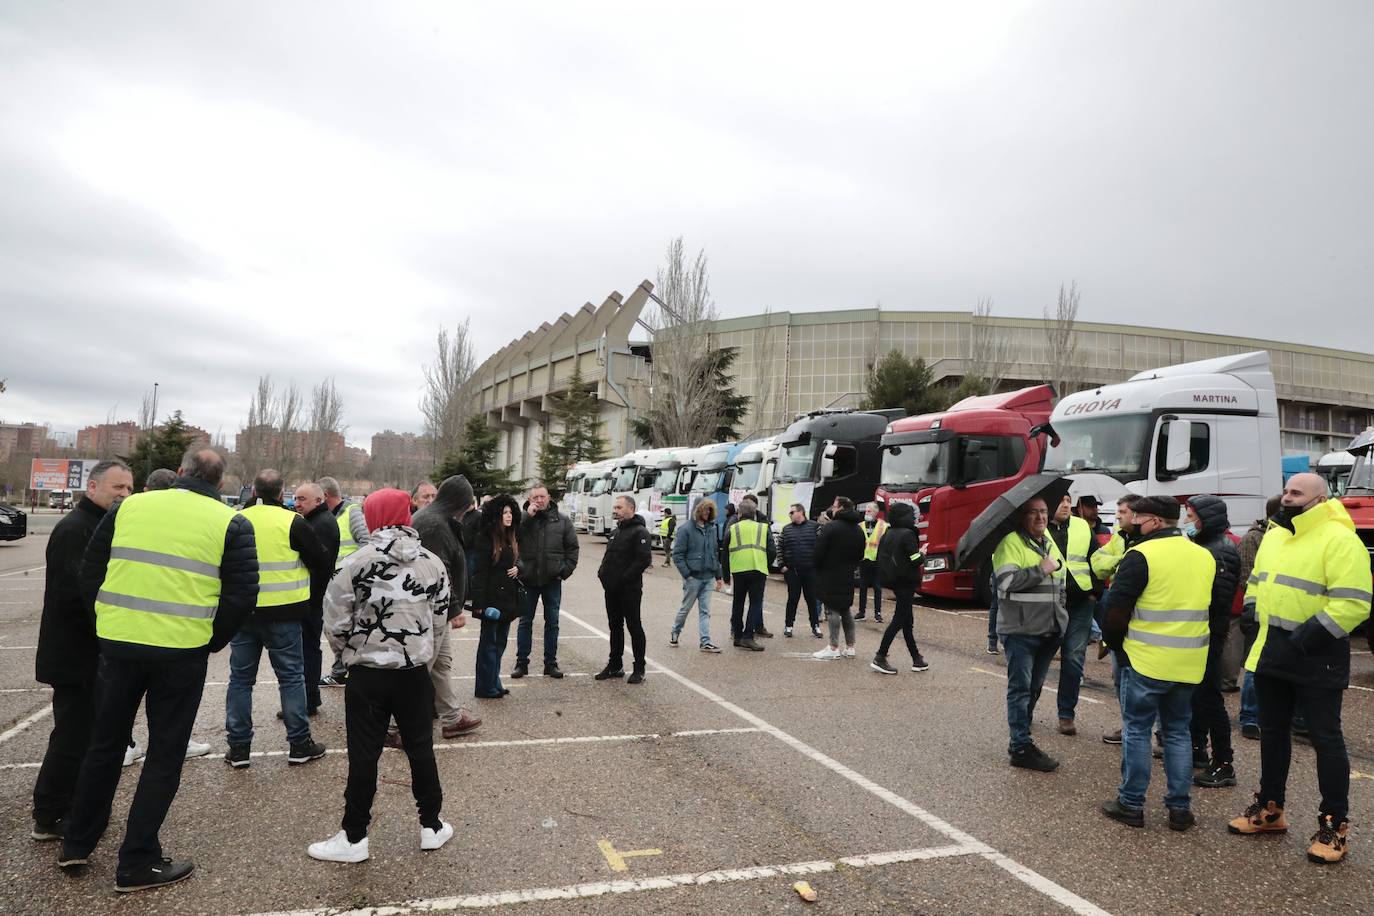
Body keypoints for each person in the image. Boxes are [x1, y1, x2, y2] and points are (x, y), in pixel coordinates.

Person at [60, 449, 257, 892]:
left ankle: (77, 840)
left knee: (104, 745)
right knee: (165, 756)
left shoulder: (129, 507)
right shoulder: (230, 521)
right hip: (180, 653)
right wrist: (210, 639)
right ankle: (137, 860)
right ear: (220, 482)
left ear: (181, 472)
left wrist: (106, 621)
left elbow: (91, 571)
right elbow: (243, 594)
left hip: (119, 644)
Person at [1228, 473, 1371, 865]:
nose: (1287, 498)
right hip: (1273, 652)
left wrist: (1305, 638)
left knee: (1326, 741)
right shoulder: (1275, 534)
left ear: (1320, 499)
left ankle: (1333, 826)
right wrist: (1254, 614)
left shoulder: (1340, 539)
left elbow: (1354, 603)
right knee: (1273, 734)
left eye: (1296, 493)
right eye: (1286, 491)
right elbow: (1257, 580)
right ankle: (1270, 809)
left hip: (1316, 655)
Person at [310, 488, 453, 863]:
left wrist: (349, 656)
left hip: (368, 675)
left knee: (364, 754)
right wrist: (422, 657)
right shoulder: (433, 563)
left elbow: (335, 622)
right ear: (406, 515)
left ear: (372, 517)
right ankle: (432, 826)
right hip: (414, 673)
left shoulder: (355, 563)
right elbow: (439, 622)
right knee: (421, 748)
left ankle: (354, 836)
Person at [1099, 496, 1218, 832]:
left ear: (1153, 521)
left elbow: (1115, 611)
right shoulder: (1202, 556)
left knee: (1137, 730)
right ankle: (1180, 809)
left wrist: (1116, 646)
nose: (1133, 522)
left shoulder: (1141, 555)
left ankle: (1131, 803)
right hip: (1189, 661)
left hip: (1146, 660)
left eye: (1137, 517)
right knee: (1177, 732)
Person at [32, 460, 134, 843]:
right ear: (92, 487)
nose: (123, 494)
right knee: (72, 737)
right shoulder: (77, 529)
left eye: (128, 489)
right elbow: (77, 595)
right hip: (75, 654)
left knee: (85, 735)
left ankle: (69, 806)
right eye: (116, 488)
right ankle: (50, 813)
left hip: (88, 653)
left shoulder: (100, 526)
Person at [225, 470, 332, 768]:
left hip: (244, 612)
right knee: (291, 678)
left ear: (254, 491)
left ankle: (239, 748)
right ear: (282, 491)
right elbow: (322, 562)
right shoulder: (292, 522)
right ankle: (299, 744)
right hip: (284, 614)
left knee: (241, 680)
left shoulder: (236, 519)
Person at [124, 467, 213, 766]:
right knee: (168, 705)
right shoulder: (193, 520)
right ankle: (163, 741)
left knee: (123, 699)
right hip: (175, 634)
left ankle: (125, 743)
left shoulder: (129, 515)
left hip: (126, 629)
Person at [991, 496, 1066, 772]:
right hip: (1021, 631)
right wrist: (1040, 569)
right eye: (1033, 513)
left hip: (1048, 629)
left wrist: (1062, 617)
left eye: (1044, 512)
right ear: (1022, 517)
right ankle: (1020, 746)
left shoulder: (1046, 541)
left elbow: (1060, 582)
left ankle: (1023, 736)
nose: (1040, 518)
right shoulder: (1010, 543)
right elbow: (1007, 582)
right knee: (1020, 690)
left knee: (1033, 688)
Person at [404, 475, 480, 739]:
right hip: (432, 610)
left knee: (440, 665)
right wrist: (455, 609)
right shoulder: (434, 525)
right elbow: (439, 572)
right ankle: (397, 727)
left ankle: (452, 717)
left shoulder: (439, 519)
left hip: (437, 609)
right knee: (421, 669)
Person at [1182, 496, 1241, 789]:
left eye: (1191, 516)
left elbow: (1216, 600)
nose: (1187, 522)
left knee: (1210, 698)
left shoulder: (1220, 551)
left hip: (1208, 634)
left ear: (1206, 519)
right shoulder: (1206, 546)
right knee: (1198, 695)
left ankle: (1223, 762)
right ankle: (1197, 749)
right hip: (1200, 632)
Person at [513, 483, 578, 681]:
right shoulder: (522, 519)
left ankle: (550, 663)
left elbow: (572, 549)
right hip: (528, 579)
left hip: (552, 580)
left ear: (549, 497)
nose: (539, 501)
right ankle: (521, 663)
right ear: (530, 499)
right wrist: (527, 517)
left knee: (553, 622)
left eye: (542, 497)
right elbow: (512, 537)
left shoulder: (562, 520)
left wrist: (563, 571)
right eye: (535, 498)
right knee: (525, 622)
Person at [1047, 493, 1100, 736]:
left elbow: (1095, 558)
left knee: (1074, 659)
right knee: (1039, 661)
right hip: (1048, 604)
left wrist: (1096, 592)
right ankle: (1025, 710)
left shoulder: (1081, 526)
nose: (1066, 504)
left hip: (1080, 603)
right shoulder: (1036, 527)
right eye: (1061, 500)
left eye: (1068, 500)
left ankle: (1066, 713)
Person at [1090, 494, 1141, 745]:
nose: (1117, 516)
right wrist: (1122, 562)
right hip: (1117, 615)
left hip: (1142, 619)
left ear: (1137, 514)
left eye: (1122, 512)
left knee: (1147, 680)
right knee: (1119, 675)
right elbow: (1098, 563)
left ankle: (1161, 733)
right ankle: (1128, 726)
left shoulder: (1148, 540)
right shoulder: (1119, 538)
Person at [1234, 495, 1280, 740]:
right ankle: (1250, 717)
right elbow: (1247, 577)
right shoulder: (1253, 539)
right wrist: (1254, 611)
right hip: (1259, 614)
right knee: (1254, 668)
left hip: (1282, 615)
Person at [293, 482, 339, 717]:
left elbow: (317, 565)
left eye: (302, 499)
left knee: (307, 650)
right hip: (310, 598)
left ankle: (308, 699)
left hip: (310, 599)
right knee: (306, 649)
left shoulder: (320, 524)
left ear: (319, 501)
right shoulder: (315, 521)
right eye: (295, 498)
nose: (297, 504)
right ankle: (307, 698)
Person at [471, 495, 524, 698]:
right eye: (504, 513)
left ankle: (494, 681)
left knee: (499, 644)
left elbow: (521, 560)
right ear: (496, 515)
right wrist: (479, 603)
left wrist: (519, 568)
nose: (508, 516)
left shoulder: (511, 537)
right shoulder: (486, 538)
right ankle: (485, 686)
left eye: (511, 512)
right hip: (491, 600)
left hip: (508, 599)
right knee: (488, 645)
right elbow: (480, 572)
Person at [597, 496, 653, 682]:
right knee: (615, 627)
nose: (616, 510)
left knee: (634, 626)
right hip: (611, 589)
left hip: (630, 589)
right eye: (614, 507)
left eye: (619, 507)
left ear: (631, 508)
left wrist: (624, 578)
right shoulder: (615, 532)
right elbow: (609, 557)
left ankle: (639, 668)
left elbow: (643, 559)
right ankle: (615, 665)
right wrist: (602, 573)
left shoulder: (640, 532)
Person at [320, 476, 369, 688]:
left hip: (349, 582)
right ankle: (341, 671)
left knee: (344, 629)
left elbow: (366, 542)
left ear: (325, 496)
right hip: (334, 582)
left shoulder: (352, 512)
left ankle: (345, 671)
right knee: (336, 630)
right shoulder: (327, 515)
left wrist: (347, 568)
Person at [871, 501, 927, 673]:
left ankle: (916, 658)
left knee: (907, 621)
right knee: (899, 620)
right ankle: (880, 656)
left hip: (894, 580)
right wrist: (923, 553)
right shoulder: (908, 534)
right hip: (906, 582)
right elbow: (914, 559)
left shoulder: (888, 533)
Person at [812, 497, 865, 660]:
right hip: (848, 573)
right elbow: (861, 553)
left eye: (834, 506)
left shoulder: (831, 528)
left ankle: (833, 647)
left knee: (831, 609)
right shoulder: (858, 529)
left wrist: (817, 566)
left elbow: (819, 551)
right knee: (845, 609)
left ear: (841, 508)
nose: (832, 509)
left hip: (830, 573)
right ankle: (850, 647)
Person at [670, 499, 724, 652]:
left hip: (708, 577)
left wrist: (718, 576)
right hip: (693, 578)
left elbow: (714, 553)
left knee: (705, 611)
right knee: (685, 609)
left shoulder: (712, 529)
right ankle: (675, 632)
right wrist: (688, 575)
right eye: (705, 509)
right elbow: (677, 555)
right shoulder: (685, 529)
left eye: (709, 510)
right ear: (698, 510)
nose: (707, 512)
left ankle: (705, 642)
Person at [723, 500, 775, 651]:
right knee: (755, 603)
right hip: (758, 569)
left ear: (739, 513)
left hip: (738, 570)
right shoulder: (763, 528)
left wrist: (726, 576)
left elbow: (724, 554)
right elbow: (772, 551)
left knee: (738, 603)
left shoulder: (732, 529)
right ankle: (748, 636)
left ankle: (737, 636)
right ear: (754, 514)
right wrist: (766, 564)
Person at [778, 503, 823, 639]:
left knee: (811, 599)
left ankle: (815, 626)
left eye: (792, 512)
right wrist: (782, 566)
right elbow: (780, 548)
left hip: (810, 570)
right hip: (792, 571)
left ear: (801, 512)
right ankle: (788, 625)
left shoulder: (815, 527)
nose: (790, 515)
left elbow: (821, 546)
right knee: (792, 599)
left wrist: (819, 566)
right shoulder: (786, 530)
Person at [1075, 495, 1112, 643]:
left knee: (1105, 623)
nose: (1095, 510)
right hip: (1083, 584)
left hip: (1102, 586)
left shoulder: (1103, 530)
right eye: (1090, 506)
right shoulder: (1076, 529)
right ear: (1080, 508)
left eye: (1096, 506)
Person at [854, 504, 887, 623]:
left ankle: (877, 613)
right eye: (866, 511)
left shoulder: (883, 526)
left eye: (869, 511)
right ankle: (861, 612)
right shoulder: (860, 525)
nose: (867, 513)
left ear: (876, 512)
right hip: (864, 560)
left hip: (877, 561)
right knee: (863, 587)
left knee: (877, 587)